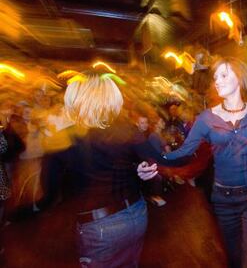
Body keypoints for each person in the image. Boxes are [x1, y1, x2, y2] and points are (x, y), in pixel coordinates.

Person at [158, 57, 247, 267]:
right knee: (234, 257)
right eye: (215, 77)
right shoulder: (205, 118)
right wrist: (157, 159)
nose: (217, 81)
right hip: (224, 198)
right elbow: (185, 151)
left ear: (239, 79)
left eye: (223, 75)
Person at [40, 72, 166, 267]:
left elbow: (49, 192)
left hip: (101, 226)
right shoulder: (127, 129)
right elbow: (150, 165)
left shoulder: (63, 138)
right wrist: (138, 171)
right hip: (137, 213)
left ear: (76, 100)